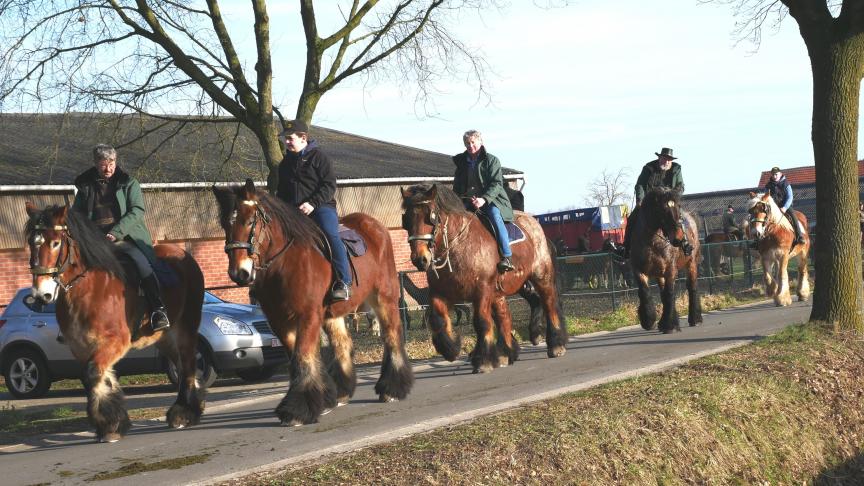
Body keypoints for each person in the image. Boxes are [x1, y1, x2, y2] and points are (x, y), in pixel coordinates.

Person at [72, 144, 170, 331]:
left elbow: (137, 211)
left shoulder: (129, 183)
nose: (108, 168)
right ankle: (74, 318)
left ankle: (158, 310)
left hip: (125, 238)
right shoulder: (85, 186)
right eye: (103, 164)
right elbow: (76, 215)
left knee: (142, 265)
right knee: (73, 269)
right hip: (95, 243)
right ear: (95, 164)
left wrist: (115, 232)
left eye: (112, 163)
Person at [276, 120, 352, 301]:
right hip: (293, 213)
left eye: (290, 138)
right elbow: (281, 192)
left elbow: (329, 185)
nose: (286, 142)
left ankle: (343, 281)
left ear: (303, 137)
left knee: (330, 233)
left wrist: (312, 203)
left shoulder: (319, 157)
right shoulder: (285, 164)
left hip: (321, 208)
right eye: (285, 139)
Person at [452, 130, 515, 273]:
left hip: (492, 200)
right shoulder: (462, 162)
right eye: (467, 143)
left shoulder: (491, 160)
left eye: (473, 142)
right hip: (468, 201)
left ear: (480, 142)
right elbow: (457, 186)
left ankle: (506, 256)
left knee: (494, 214)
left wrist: (484, 199)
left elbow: (497, 184)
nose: (470, 145)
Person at [620, 147, 692, 257]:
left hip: (669, 202)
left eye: (669, 159)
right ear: (659, 158)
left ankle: (685, 243)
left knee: (682, 219)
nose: (667, 161)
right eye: (664, 158)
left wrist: (672, 196)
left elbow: (680, 186)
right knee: (631, 220)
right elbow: (640, 185)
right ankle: (626, 248)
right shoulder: (648, 168)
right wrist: (640, 200)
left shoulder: (677, 169)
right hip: (650, 202)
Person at [763, 166, 802, 246]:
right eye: (773, 174)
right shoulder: (768, 186)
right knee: (762, 218)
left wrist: (784, 207)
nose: (774, 176)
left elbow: (790, 197)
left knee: (794, 217)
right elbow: (766, 197)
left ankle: (799, 236)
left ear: (780, 174)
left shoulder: (786, 184)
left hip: (785, 207)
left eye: (776, 174)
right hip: (773, 208)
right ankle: (759, 241)